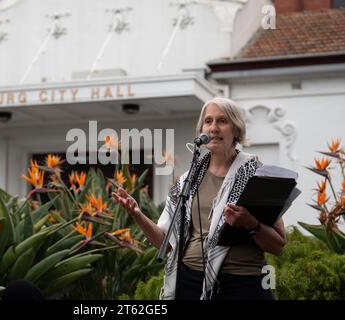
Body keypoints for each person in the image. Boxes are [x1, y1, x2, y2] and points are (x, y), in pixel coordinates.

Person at [112, 97, 286, 300]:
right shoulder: (186, 181)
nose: (214, 128)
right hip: (190, 281)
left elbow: (278, 244)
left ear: (236, 130)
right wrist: (137, 214)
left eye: (222, 121)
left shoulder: (258, 177)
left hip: (242, 282)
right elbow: (165, 243)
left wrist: (250, 223)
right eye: (208, 121)